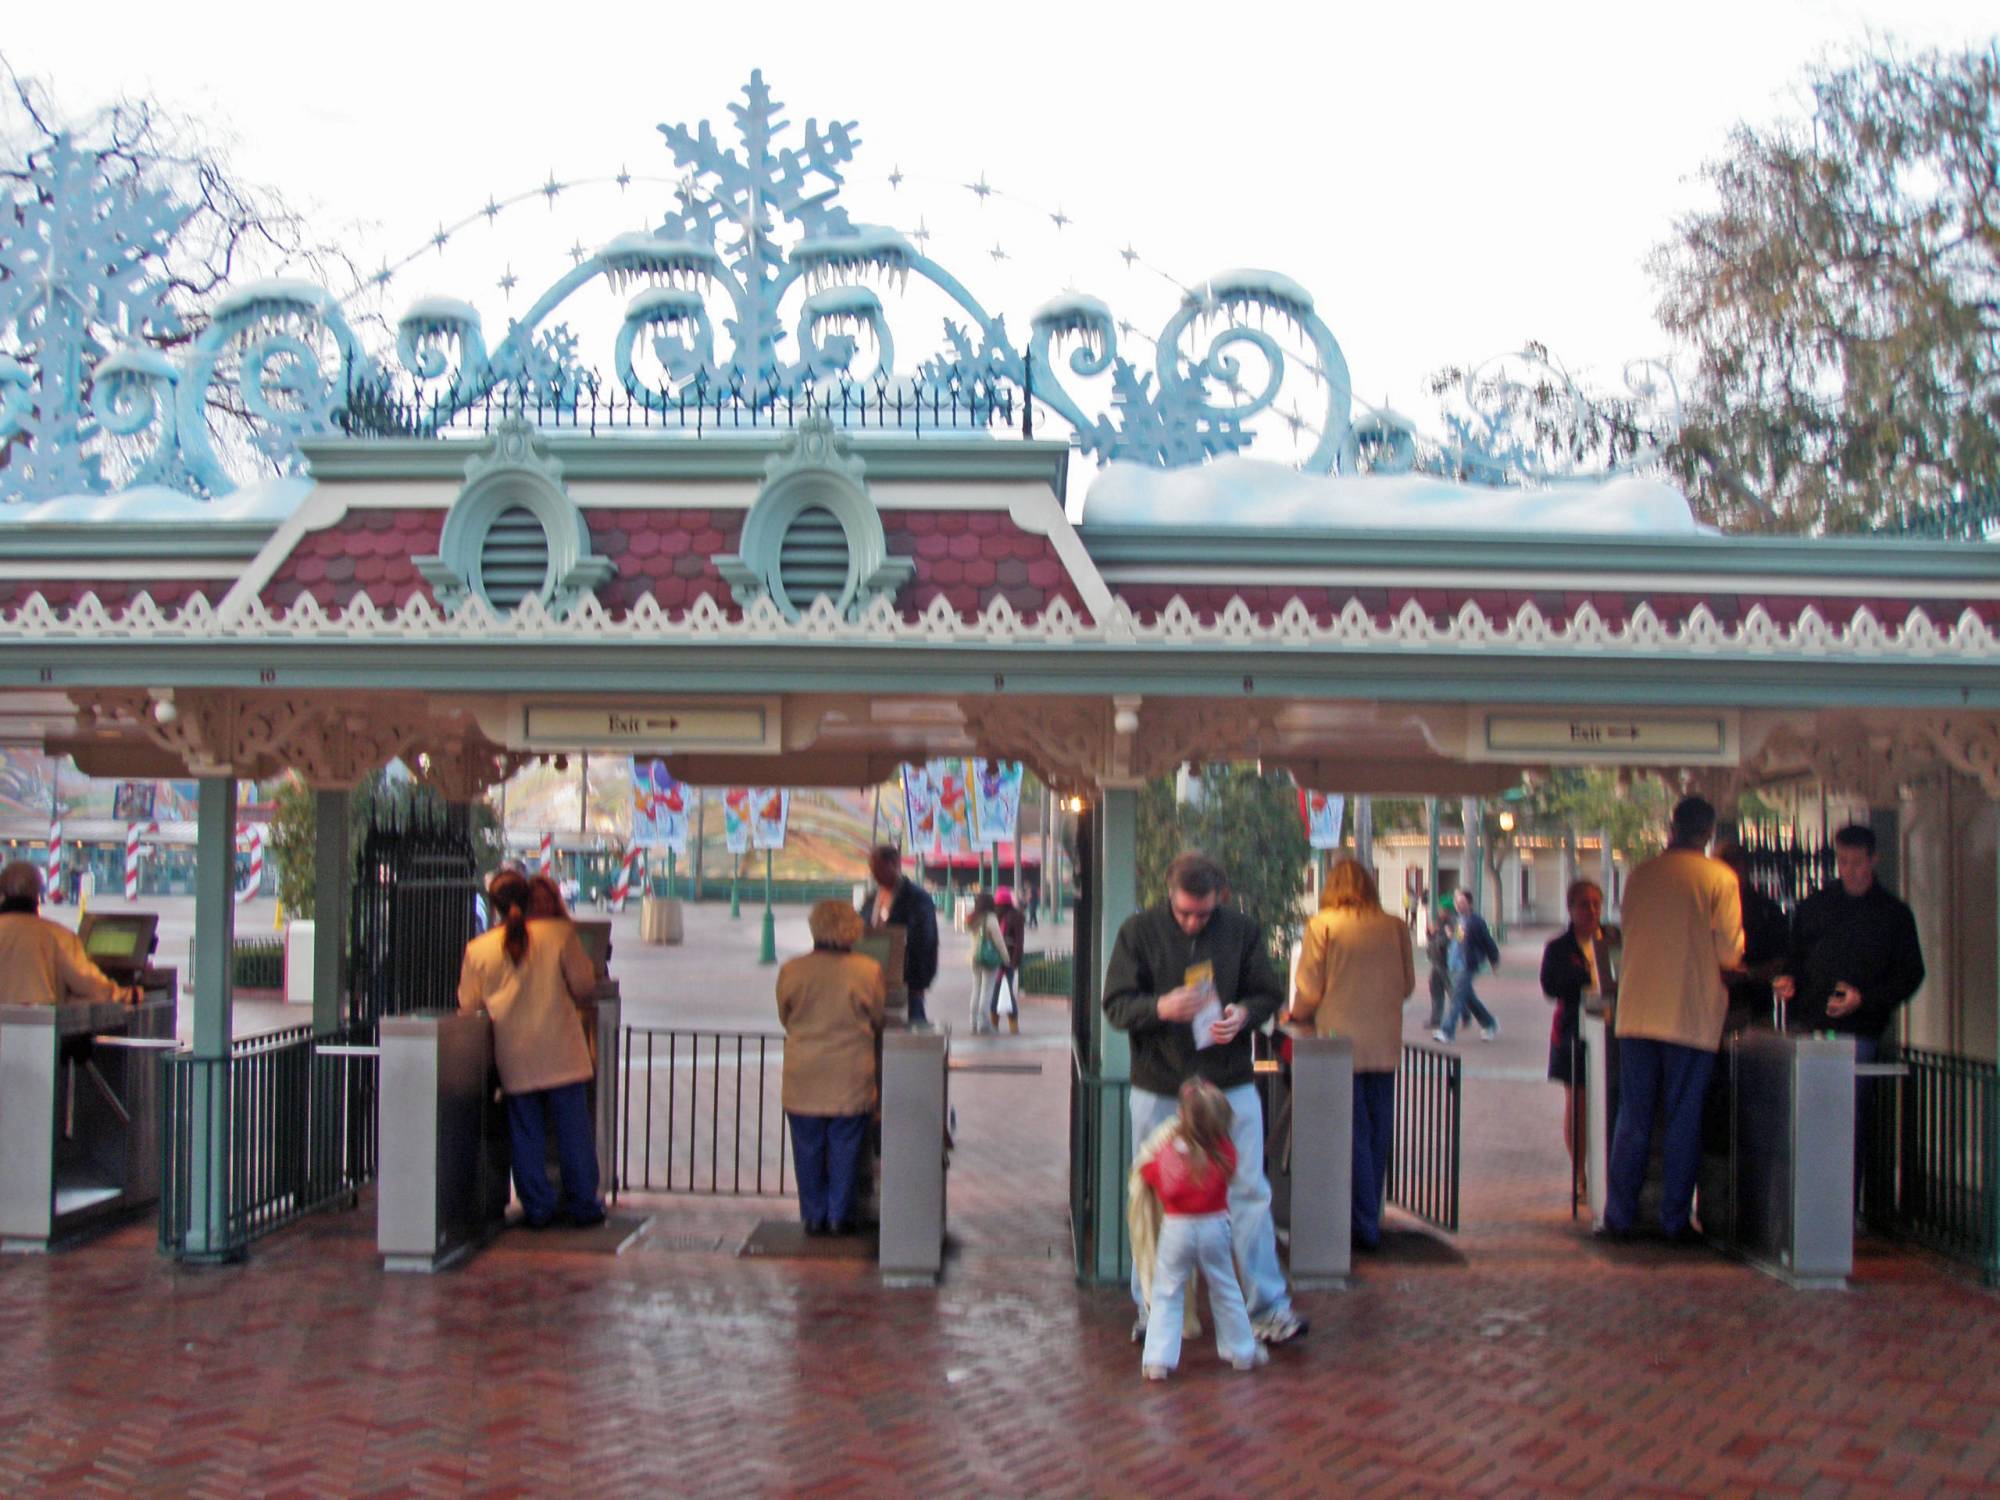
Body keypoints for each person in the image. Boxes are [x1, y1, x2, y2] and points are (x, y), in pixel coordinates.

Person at [1103, 850, 1307, 1346]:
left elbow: (1267, 993)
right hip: (1160, 1084)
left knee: (1249, 1191)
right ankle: (1155, 1307)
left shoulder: (1241, 930)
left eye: (1203, 912)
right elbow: (1116, 1004)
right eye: (1184, 912)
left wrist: (1242, 1014)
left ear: (1221, 899)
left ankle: (1268, 1306)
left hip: (1229, 1080)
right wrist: (1161, 1006)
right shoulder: (1139, 933)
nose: (1193, 921)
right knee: (1151, 1194)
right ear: (1169, 896)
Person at [1601, 797, 1744, 1242]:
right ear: (1708, 833)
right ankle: (1674, 1220)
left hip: (1636, 1011)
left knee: (1634, 1117)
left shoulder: (1641, 874)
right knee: (1684, 1118)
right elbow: (1729, 953)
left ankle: (1620, 1214)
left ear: (1671, 827)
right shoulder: (1719, 877)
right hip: (1690, 1013)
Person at [1773, 824, 1924, 1202]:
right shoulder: (1814, 907)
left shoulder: (1894, 915)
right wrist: (1789, 979)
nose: (1849, 870)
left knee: (1848, 1124)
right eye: (1843, 861)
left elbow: (1910, 974)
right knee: (1810, 1121)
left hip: (1860, 1032)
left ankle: (1843, 1203)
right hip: (1810, 1027)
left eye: (1857, 862)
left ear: (1874, 860)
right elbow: (1795, 957)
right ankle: (1810, 1203)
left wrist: (1865, 999)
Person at [457, 869, 605, 1230]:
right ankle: (583, 1205)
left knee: (527, 1135)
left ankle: (537, 1208)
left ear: (494, 906)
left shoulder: (479, 949)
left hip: (515, 1056)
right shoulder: (559, 934)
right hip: (562, 1053)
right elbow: (584, 986)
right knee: (572, 1133)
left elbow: (468, 1005)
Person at [1288, 858, 1415, 1250]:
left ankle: (1361, 1223)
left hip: (1336, 1044)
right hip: (1384, 1043)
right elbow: (1407, 984)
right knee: (1378, 1133)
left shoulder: (1322, 925)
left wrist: (1296, 1015)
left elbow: (1310, 987)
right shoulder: (1395, 926)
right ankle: (1370, 1213)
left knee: (1351, 1134)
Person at [1133, 1079, 1268, 1380]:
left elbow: (1151, 1172)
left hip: (1176, 1228)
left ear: (1182, 1115)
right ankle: (1242, 1350)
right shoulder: (1225, 1153)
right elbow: (1231, 1177)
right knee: (1226, 1288)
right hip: (1215, 1227)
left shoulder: (1171, 1151)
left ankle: (1158, 1359)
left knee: (1167, 1292)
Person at [776, 900, 888, 1235]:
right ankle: (840, 1216)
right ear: (851, 930)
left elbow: (786, 1015)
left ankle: (813, 1216)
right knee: (846, 1150)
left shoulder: (792, 970)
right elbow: (878, 1017)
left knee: (807, 1150)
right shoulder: (868, 970)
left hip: (803, 1075)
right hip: (850, 1074)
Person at [1539, 880, 1619, 1169]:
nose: (1592, 910)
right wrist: (1584, 979)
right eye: (1584, 904)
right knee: (1578, 1101)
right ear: (1571, 909)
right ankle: (1580, 1171)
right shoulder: (1558, 947)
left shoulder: (1614, 939)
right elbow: (1550, 987)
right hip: (1573, 1031)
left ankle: (1607, 1167)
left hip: (1613, 1030)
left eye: (1596, 903)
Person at [0, 861, 142, 1007]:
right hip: (41, 1026)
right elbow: (93, 988)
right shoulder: (59, 937)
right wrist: (130, 994)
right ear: (37, 894)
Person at [860, 844, 939, 1026]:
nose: (874, 874)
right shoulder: (872, 897)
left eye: (878, 868)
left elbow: (925, 941)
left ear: (894, 864)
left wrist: (919, 982)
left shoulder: (917, 898)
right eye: (872, 869)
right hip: (873, 980)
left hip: (908, 980)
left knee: (913, 1028)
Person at [1435, 888, 1500, 1043]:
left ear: (1469, 903)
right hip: (1455, 964)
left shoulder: (1476, 921)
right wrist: (1452, 936)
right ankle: (1489, 1023)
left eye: (1462, 902)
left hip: (1467, 965)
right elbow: (1460, 939)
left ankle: (1447, 1031)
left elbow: (1488, 941)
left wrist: (1494, 960)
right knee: (1468, 998)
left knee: (1457, 998)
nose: (1458, 905)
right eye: (1457, 902)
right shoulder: (1461, 920)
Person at [965, 890, 1009, 1036]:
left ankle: (972, 1023)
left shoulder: (973, 918)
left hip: (974, 958)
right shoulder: (990, 919)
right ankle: (984, 1024)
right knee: (986, 991)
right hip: (988, 959)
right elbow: (999, 941)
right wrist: (1006, 958)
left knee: (975, 990)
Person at [996, 886, 1027, 1035]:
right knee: (998, 991)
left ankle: (1009, 1024)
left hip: (1005, 961)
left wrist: (1014, 961)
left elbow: (1018, 941)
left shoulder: (1012, 917)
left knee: (1002, 991)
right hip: (999, 960)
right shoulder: (998, 916)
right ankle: (999, 1023)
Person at [1424, 897, 1456, 1032]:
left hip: (1445, 961)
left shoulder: (1451, 924)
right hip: (1436, 960)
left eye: (1442, 909)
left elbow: (1447, 942)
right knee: (1435, 988)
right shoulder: (1439, 922)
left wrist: (1436, 933)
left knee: (1451, 990)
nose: (1439, 911)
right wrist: (1430, 932)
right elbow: (1432, 938)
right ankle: (1435, 1019)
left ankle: (1459, 1014)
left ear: (1447, 910)